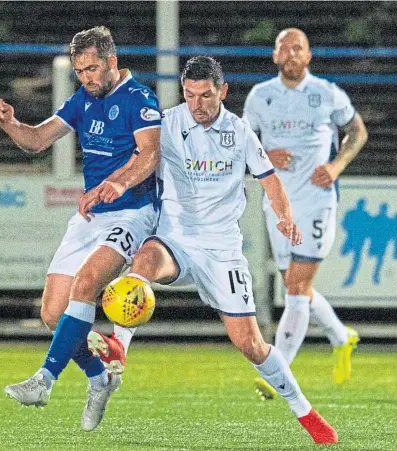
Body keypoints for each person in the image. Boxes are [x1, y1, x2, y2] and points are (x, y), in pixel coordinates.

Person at [83, 55, 338, 444]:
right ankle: (119, 346)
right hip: (176, 241)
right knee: (143, 262)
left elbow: (270, 181)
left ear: (223, 91)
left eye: (205, 96)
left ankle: (305, 412)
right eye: (189, 96)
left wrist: (285, 216)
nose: (197, 105)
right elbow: (140, 157)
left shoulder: (241, 132)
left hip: (222, 252)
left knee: (252, 346)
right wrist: (112, 184)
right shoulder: (167, 123)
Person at [0, 26, 161, 431]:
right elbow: (36, 140)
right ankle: (100, 379)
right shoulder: (83, 100)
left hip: (131, 212)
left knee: (85, 285)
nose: (87, 78)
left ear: (112, 62)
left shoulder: (139, 98)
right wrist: (11, 123)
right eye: (81, 70)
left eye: (93, 68)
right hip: (91, 215)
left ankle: (43, 380)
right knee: (52, 313)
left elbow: (150, 155)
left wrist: (114, 184)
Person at [241, 28, 368, 397]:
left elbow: (357, 132)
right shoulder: (260, 96)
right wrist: (265, 153)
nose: (292, 54)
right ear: (275, 56)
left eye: (299, 49)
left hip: (316, 201)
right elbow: (245, 146)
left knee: (296, 288)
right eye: (285, 49)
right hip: (278, 203)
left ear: (308, 56)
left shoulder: (326, 93)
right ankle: (342, 337)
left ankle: (276, 374)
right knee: (297, 285)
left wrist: (337, 166)